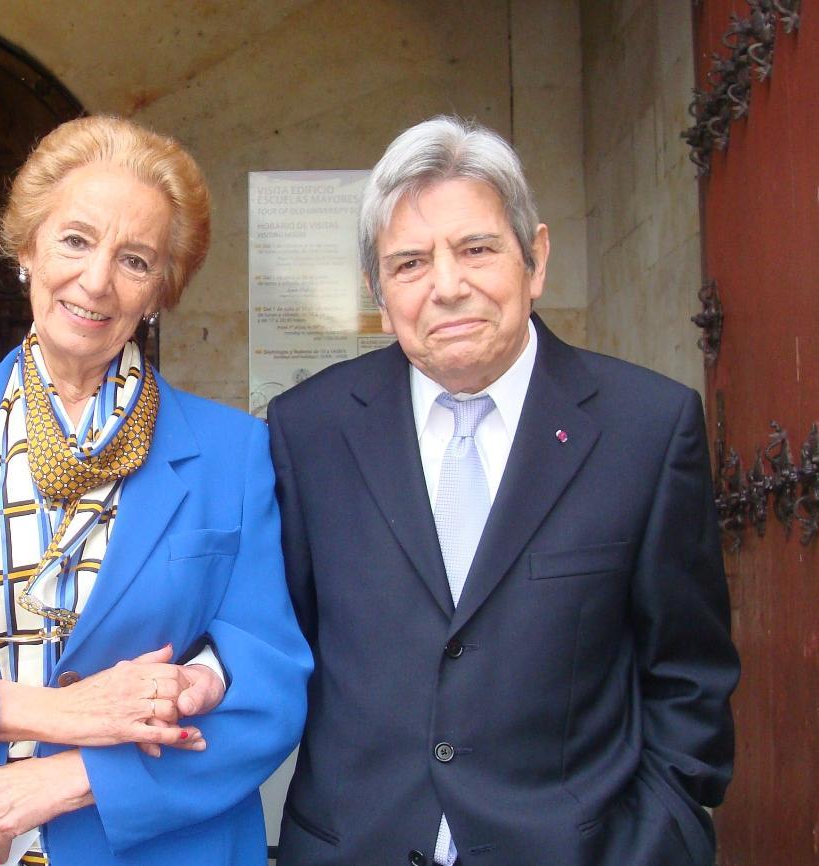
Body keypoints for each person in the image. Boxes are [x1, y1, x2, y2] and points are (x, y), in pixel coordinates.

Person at [0, 115, 311, 866]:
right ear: (27, 250)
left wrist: (77, 777)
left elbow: (267, 690)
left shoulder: (232, 452)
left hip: (154, 848)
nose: (97, 281)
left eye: (136, 259)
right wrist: (52, 713)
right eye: (75, 240)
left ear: (160, 291)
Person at [267, 116, 739, 866]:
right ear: (378, 293)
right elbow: (269, 648)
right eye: (410, 263)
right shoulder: (307, 432)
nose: (446, 286)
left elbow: (687, 675)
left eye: (477, 249)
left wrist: (656, 839)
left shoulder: (646, 429)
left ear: (535, 258)